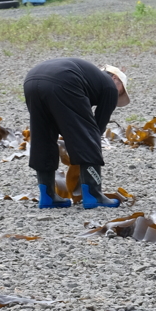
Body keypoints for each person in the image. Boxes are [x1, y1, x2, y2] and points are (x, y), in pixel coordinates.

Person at [22, 58, 129, 210]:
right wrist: (82, 148)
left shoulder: (90, 77)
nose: (117, 96)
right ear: (115, 78)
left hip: (32, 80)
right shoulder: (110, 86)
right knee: (89, 135)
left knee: (43, 135)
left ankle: (47, 196)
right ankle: (93, 195)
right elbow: (96, 129)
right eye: (121, 91)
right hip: (64, 80)